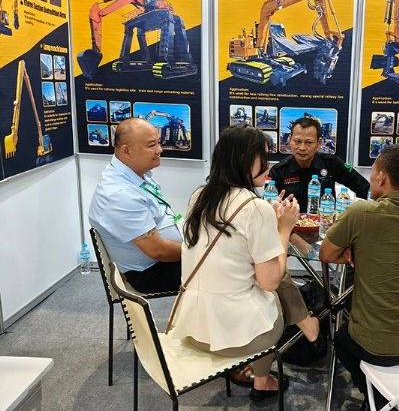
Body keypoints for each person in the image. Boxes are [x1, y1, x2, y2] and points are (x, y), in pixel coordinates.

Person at [169, 124, 323, 402]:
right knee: (274, 291)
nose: (269, 165)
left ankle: (302, 331)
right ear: (244, 160)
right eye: (263, 156)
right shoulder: (255, 208)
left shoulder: (199, 196)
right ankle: (263, 380)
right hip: (236, 338)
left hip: (192, 328)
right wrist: (283, 228)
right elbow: (271, 281)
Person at [319, 144, 399, 411]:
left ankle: (379, 397)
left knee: (341, 340)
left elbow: (326, 254)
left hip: (378, 345)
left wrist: (354, 251)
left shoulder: (362, 212)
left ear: (382, 177)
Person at [88, 117, 182, 293]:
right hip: (149, 272)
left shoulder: (136, 174)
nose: (159, 150)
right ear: (127, 151)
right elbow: (158, 251)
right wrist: (196, 252)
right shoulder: (120, 195)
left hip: (162, 260)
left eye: (158, 143)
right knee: (223, 269)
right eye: (151, 145)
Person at [270, 117, 370, 253]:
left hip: (327, 231)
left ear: (319, 143)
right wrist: (295, 239)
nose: (302, 148)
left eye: (309, 143)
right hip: (291, 234)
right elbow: (270, 212)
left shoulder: (332, 163)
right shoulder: (279, 171)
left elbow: (364, 188)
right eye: (297, 141)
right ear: (290, 140)